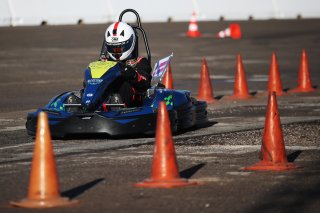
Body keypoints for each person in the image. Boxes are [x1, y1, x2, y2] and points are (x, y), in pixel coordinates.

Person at [99, 21, 152, 108]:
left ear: (130, 42)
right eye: (113, 47)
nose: (116, 51)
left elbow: (145, 83)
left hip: (132, 103)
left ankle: (115, 104)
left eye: (120, 47)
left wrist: (134, 75)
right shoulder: (104, 62)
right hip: (105, 98)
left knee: (123, 84)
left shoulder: (140, 61)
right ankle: (82, 104)